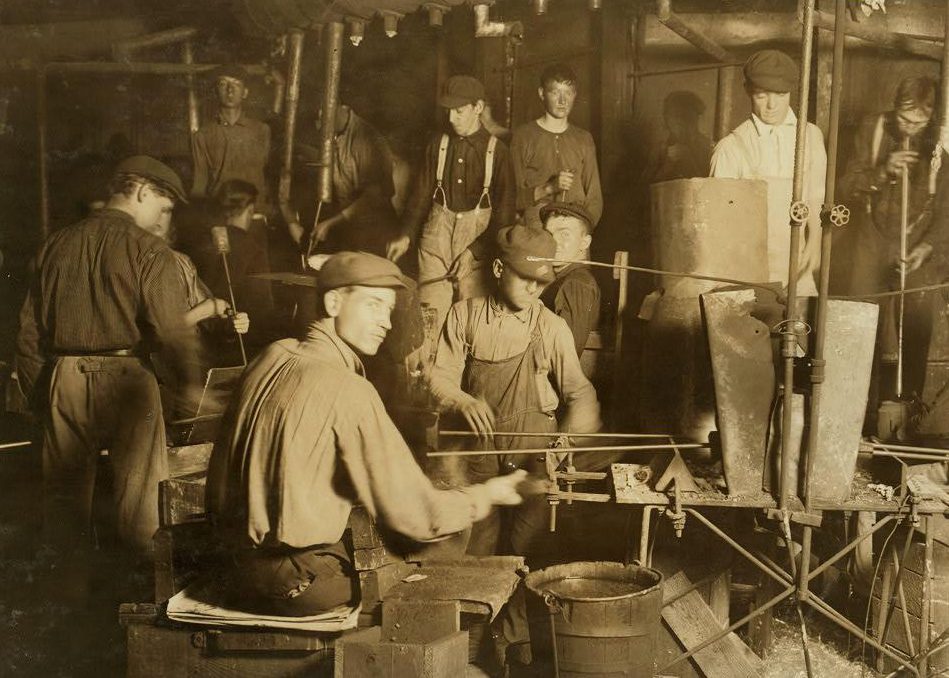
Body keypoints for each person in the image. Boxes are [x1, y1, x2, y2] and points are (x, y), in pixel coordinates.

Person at [204, 251, 526, 617]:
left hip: (229, 567)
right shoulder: (347, 388)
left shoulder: (272, 356)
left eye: (388, 310)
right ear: (333, 301)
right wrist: (484, 494)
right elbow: (422, 517)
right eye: (374, 305)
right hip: (292, 583)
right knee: (440, 543)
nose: (386, 322)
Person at [16, 155, 199, 574]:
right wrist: (187, 387)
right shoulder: (149, 249)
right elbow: (172, 331)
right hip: (128, 378)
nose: (162, 217)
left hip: (64, 375)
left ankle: (68, 616)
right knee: (140, 508)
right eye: (164, 205)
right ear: (142, 192)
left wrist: (36, 397)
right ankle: (140, 608)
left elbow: (28, 333)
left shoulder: (56, 243)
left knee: (63, 511)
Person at [428, 225, 601, 562]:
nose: (534, 288)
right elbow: (439, 377)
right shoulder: (465, 315)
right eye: (525, 278)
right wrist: (461, 400)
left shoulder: (551, 328)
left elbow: (582, 394)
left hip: (532, 457)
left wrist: (568, 439)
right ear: (498, 269)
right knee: (475, 554)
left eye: (542, 281)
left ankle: (517, 616)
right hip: (478, 453)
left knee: (527, 554)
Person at [838, 76, 946, 402]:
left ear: (931, 118)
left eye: (919, 122)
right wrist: (883, 171)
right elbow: (845, 187)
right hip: (871, 236)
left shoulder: (942, 141)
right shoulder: (873, 128)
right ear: (894, 108)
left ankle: (906, 415)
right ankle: (857, 409)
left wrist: (926, 248)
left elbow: (947, 211)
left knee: (915, 325)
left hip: (918, 242)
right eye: (903, 118)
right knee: (858, 322)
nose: (909, 128)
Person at [388, 75, 515, 330]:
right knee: (428, 321)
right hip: (435, 243)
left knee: (471, 324)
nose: (451, 118)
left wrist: (473, 252)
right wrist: (405, 234)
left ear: (478, 108)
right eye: (448, 111)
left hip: (478, 250)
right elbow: (420, 196)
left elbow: (505, 217)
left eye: (459, 111)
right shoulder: (437, 145)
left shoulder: (498, 152)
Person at [710, 49, 827, 297]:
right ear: (748, 92)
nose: (772, 106)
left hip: (798, 268)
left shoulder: (811, 137)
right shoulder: (731, 149)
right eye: (762, 96)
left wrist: (815, 241)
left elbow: (817, 197)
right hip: (749, 272)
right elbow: (719, 226)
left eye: (781, 95)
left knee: (805, 330)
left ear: (792, 93)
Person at [288, 103, 401, 257]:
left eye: (322, 115)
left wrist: (330, 223)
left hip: (376, 231)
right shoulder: (335, 134)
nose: (319, 124)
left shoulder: (368, 139)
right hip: (351, 229)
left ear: (342, 107)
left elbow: (374, 197)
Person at [185, 180, 275, 357]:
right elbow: (263, 310)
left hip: (197, 342)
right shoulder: (254, 249)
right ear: (250, 210)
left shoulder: (198, 243)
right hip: (237, 347)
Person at [510, 63, 602, 230]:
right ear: (541, 93)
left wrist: (582, 230)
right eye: (555, 92)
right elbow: (511, 197)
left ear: (575, 95)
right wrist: (549, 188)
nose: (562, 101)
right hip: (535, 229)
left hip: (575, 228)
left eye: (568, 93)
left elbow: (595, 198)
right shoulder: (523, 136)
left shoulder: (583, 139)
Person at [191, 64, 271, 203]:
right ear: (216, 91)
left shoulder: (261, 131)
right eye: (223, 84)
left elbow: (269, 174)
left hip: (254, 212)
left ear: (245, 93)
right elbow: (199, 183)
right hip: (220, 214)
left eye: (236, 84)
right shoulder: (202, 135)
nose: (230, 90)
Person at [539, 201, 601, 356]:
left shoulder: (576, 284)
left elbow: (565, 358)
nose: (554, 242)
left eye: (565, 234)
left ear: (584, 243)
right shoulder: (562, 279)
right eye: (549, 234)